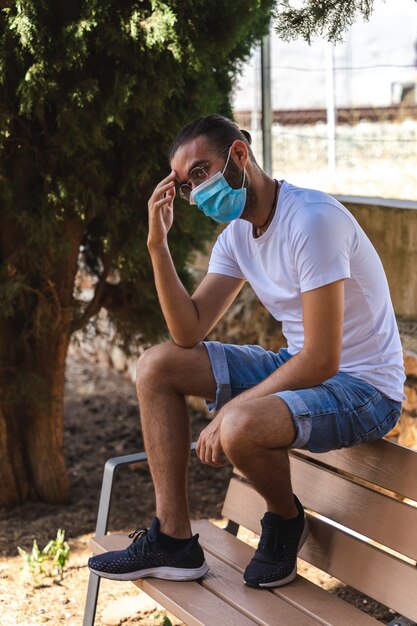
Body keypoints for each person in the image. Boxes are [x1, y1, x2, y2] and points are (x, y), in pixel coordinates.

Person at [88, 114, 405, 588]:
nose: (195, 193)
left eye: (200, 173)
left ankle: (283, 519)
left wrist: (234, 407)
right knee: (157, 366)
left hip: (365, 388)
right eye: (185, 184)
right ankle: (173, 540)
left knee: (238, 425)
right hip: (308, 371)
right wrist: (158, 245)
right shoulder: (237, 236)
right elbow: (187, 332)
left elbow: (323, 358)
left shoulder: (312, 221)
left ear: (238, 155)